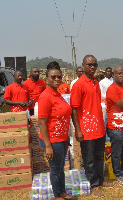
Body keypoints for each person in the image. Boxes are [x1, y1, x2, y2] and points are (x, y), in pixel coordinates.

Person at [70, 55, 113, 197]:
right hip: (86, 130)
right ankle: (93, 185)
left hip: (99, 128)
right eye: (89, 64)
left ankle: (100, 180)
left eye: (95, 64)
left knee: (99, 156)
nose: (93, 67)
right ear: (83, 66)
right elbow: (74, 109)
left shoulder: (96, 82)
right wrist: (78, 130)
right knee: (89, 160)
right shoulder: (78, 84)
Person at [38, 67, 74, 200]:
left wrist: (66, 137)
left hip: (62, 138)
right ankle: (57, 195)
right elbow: (42, 122)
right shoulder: (45, 97)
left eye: (59, 76)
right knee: (56, 169)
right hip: (52, 140)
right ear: (46, 79)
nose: (57, 79)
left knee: (60, 167)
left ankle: (63, 192)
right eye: (53, 77)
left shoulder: (57, 94)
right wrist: (48, 146)